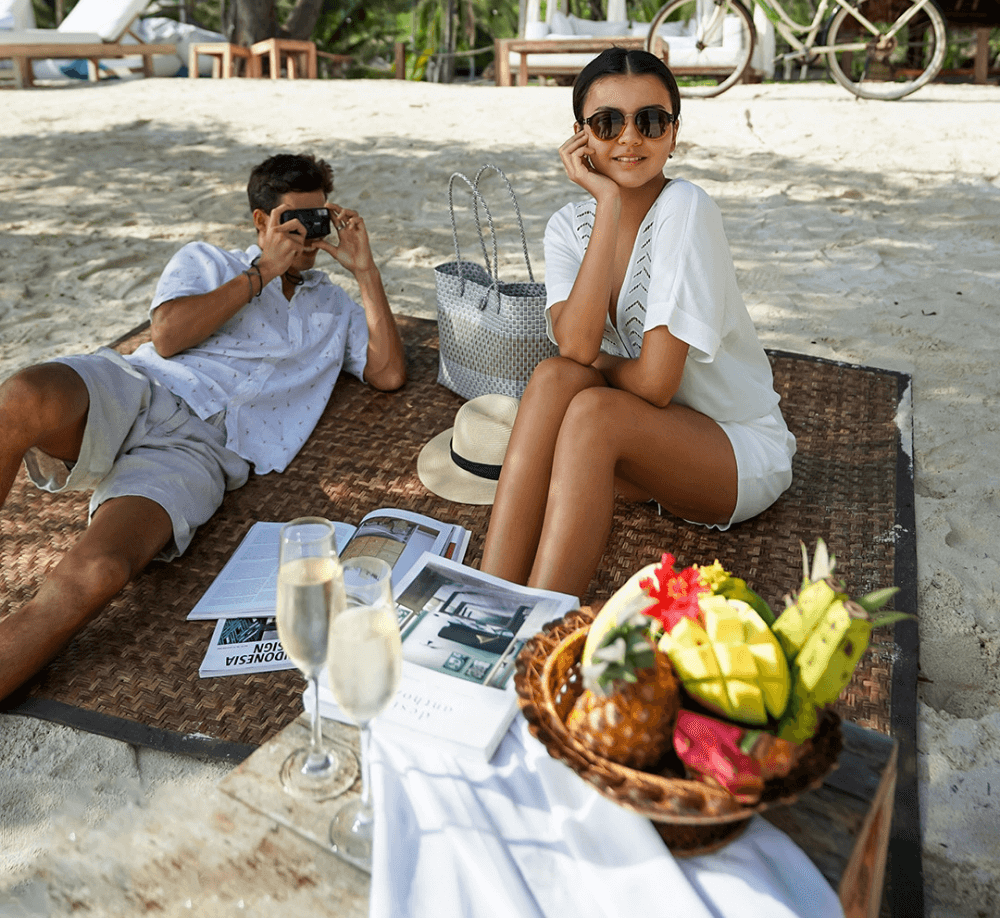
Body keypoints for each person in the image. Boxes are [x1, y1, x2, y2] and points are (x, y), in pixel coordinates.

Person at [0, 152, 406, 702]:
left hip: (200, 451)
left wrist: (365, 271)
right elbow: (167, 336)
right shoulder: (208, 261)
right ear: (261, 221)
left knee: (101, 572)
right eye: (294, 220)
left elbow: (387, 373)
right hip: (141, 387)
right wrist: (262, 272)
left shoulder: (334, 307)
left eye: (319, 221)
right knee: (22, 397)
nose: (308, 236)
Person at [480, 49, 795, 598]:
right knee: (555, 377)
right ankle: (486, 595)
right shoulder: (566, 226)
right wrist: (606, 203)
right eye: (607, 123)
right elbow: (575, 348)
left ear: (674, 134)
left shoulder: (686, 208)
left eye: (650, 121)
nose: (630, 138)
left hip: (731, 450)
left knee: (593, 410)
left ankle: (541, 624)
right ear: (580, 136)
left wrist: (599, 366)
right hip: (644, 447)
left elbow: (655, 384)